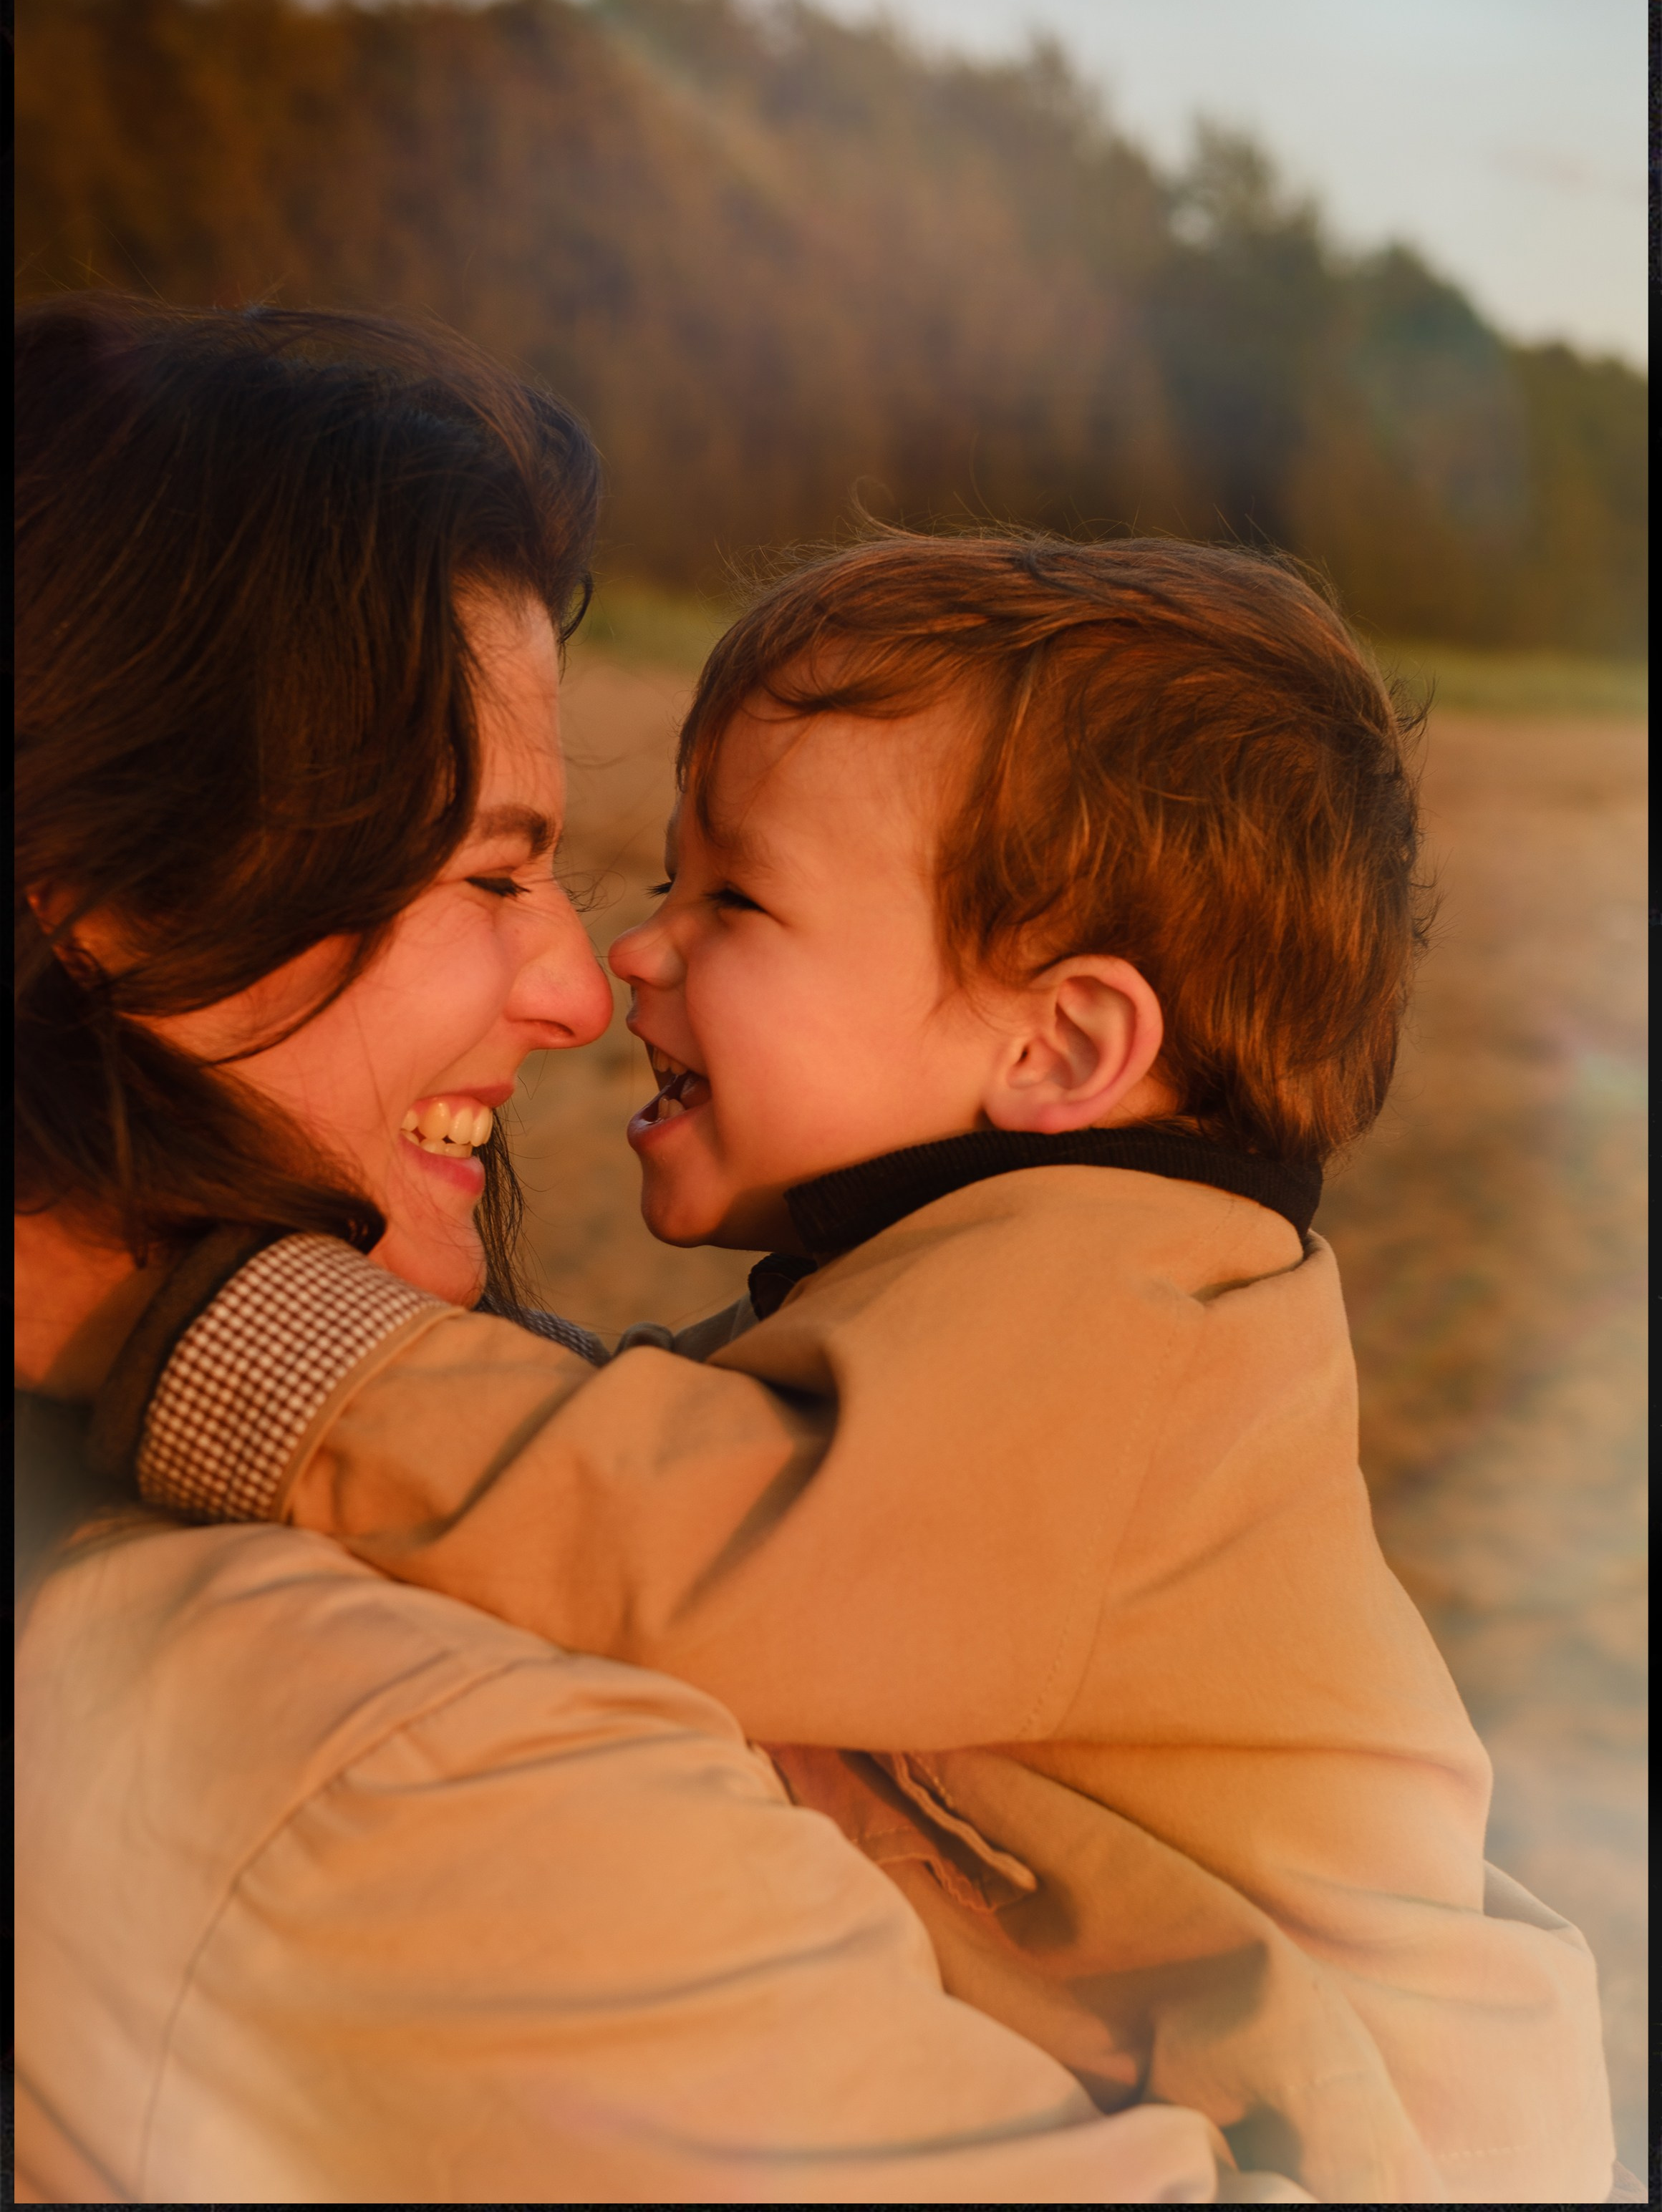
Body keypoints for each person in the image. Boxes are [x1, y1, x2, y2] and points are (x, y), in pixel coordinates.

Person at [96, 538, 1625, 2203]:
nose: (635, 953)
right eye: (670, 881)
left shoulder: (1109, 1327)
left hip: (1377, 2143)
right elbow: (660, 1448)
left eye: (734, 900)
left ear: (1060, 1044)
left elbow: (681, 1548)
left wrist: (240, 1333)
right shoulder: (1047, 1273)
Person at [15, 294, 1287, 2207]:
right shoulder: (407, 1769)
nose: (578, 979)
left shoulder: (1103, 1323)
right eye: (490, 869)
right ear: (104, 899)